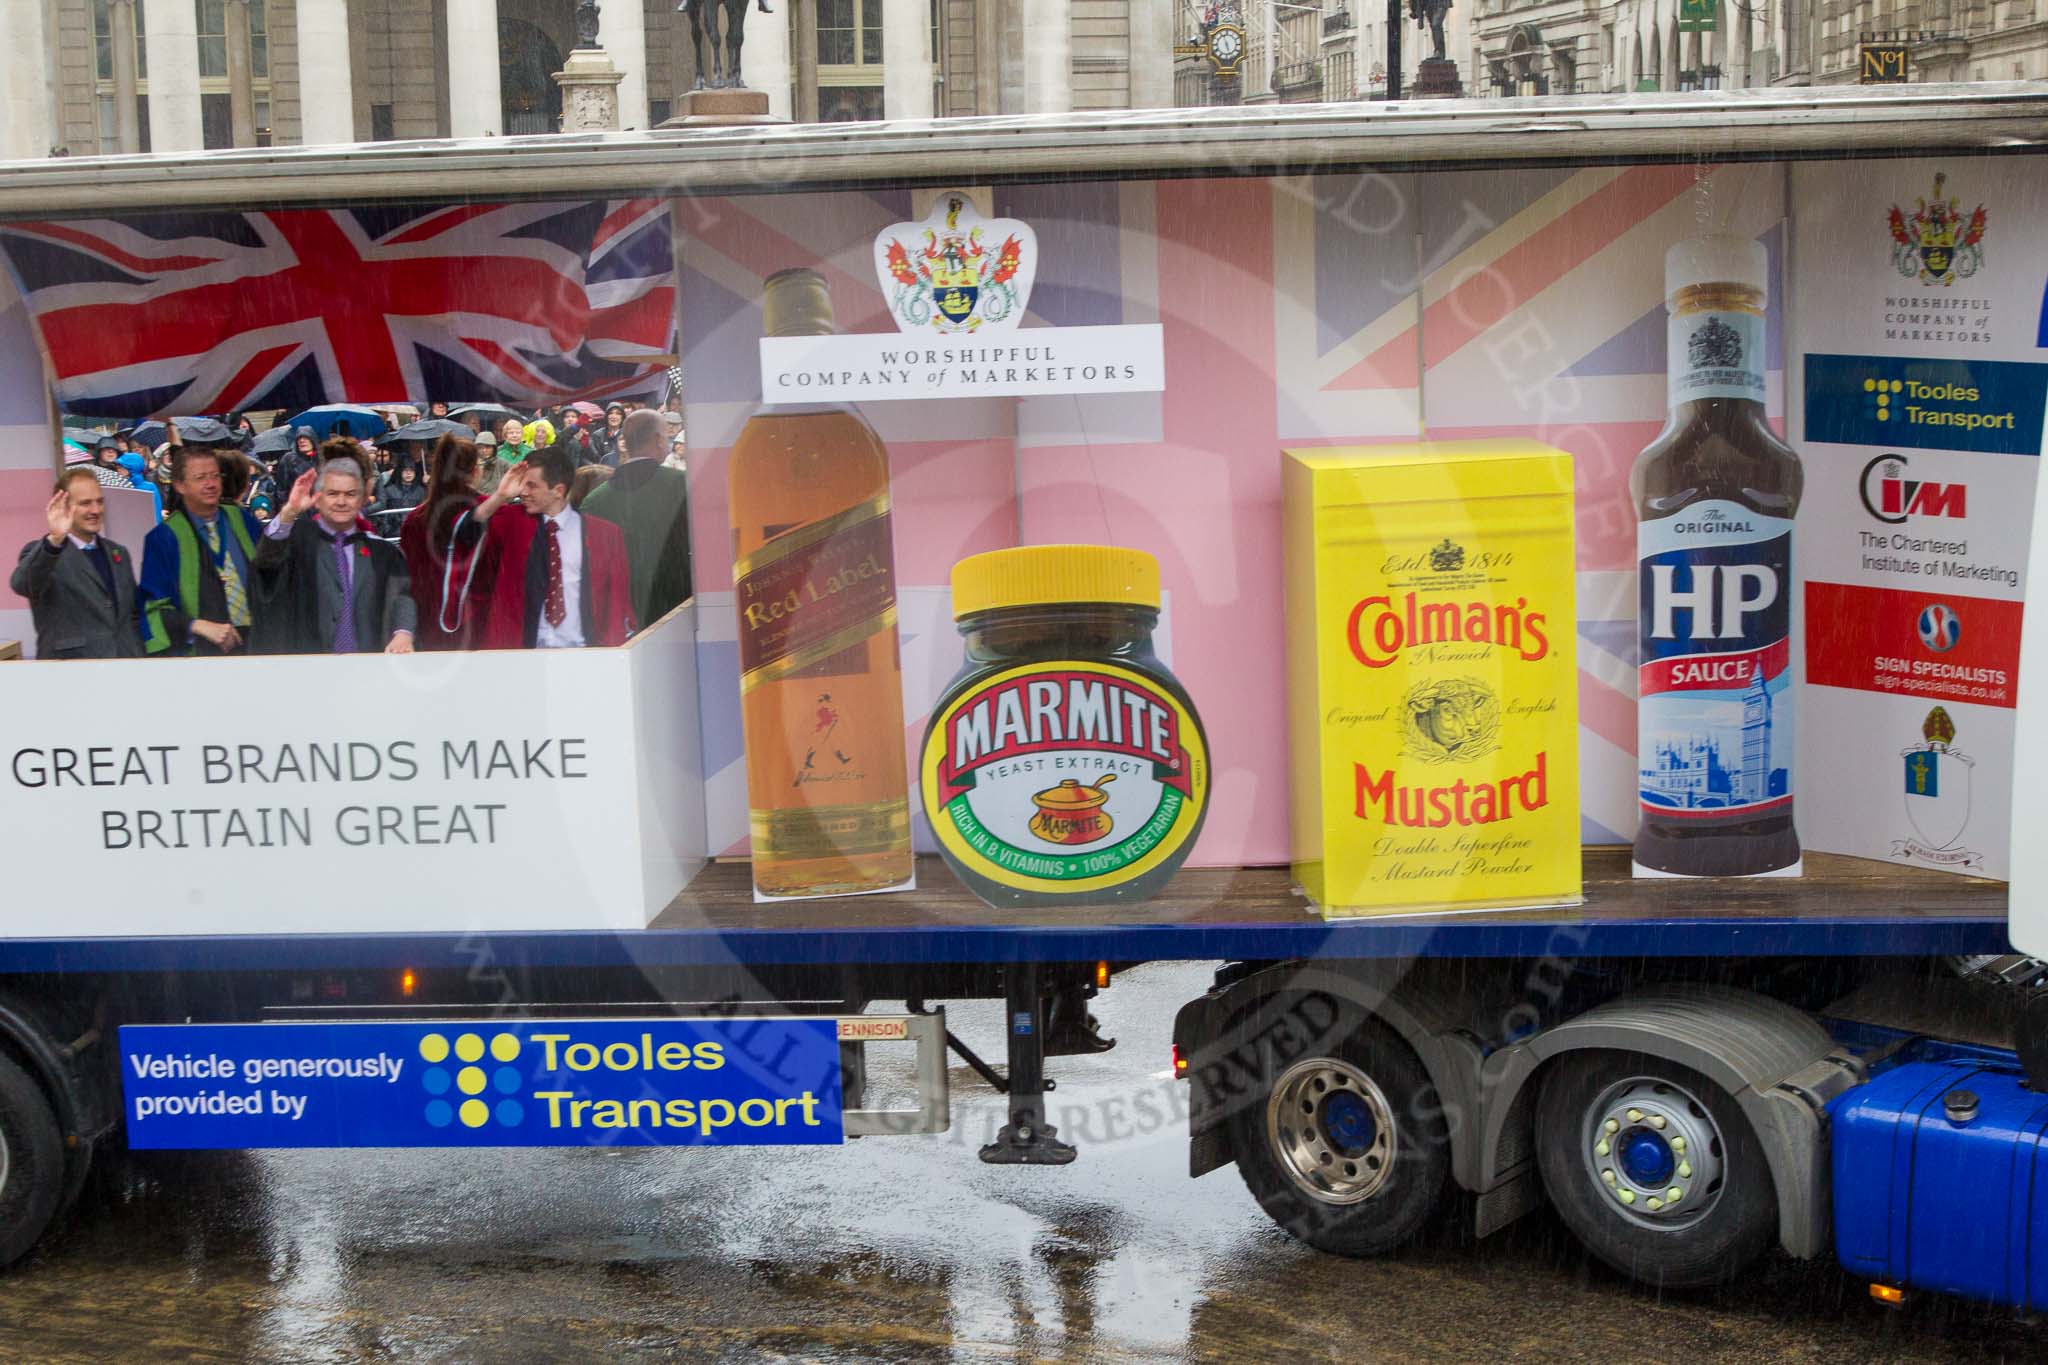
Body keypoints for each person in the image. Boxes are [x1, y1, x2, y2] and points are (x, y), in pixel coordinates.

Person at [463, 444, 634, 649]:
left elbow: (617, 601)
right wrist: (500, 496)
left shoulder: (605, 535)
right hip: (524, 655)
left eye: (532, 485)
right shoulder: (512, 522)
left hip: (583, 654)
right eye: (522, 484)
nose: (523, 492)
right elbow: (465, 535)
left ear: (558, 490)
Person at [253, 447, 416, 656]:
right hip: (309, 667)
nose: (341, 502)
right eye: (332, 494)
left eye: (350, 494)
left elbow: (402, 597)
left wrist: (403, 632)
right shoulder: (297, 542)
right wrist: (289, 511)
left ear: (362, 498)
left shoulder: (382, 552)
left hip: (366, 666)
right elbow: (265, 563)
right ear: (318, 498)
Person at [139, 443, 262, 655]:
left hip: (256, 644)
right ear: (179, 485)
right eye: (200, 478)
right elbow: (155, 608)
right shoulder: (164, 538)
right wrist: (196, 625)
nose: (211, 484)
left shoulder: (242, 520)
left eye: (215, 476)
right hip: (201, 655)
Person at [9, 468, 142, 659]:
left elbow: (132, 617)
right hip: (71, 675)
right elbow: (22, 584)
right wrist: (54, 540)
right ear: (63, 506)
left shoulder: (118, 552)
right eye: (85, 503)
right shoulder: (45, 552)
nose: (95, 510)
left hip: (123, 670)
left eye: (99, 501)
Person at [582, 408, 693, 629]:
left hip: (618, 618)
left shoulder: (593, 501)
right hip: (677, 613)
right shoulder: (684, 485)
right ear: (659, 440)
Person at [401, 434, 504, 651]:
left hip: (428, 626)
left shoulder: (416, 519)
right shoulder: (492, 512)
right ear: (475, 471)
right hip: (478, 624)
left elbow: (409, 576)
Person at [272, 428, 320, 499]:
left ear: (313, 440)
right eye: (299, 438)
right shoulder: (289, 459)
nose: (302, 440)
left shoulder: (322, 458)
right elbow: (281, 488)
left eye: (306, 438)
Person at [587, 402, 627, 467]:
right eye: (611, 413)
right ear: (606, 416)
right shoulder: (597, 435)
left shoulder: (627, 434)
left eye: (618, 414)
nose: (614, 416)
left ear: (622, 417)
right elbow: (594, 457)